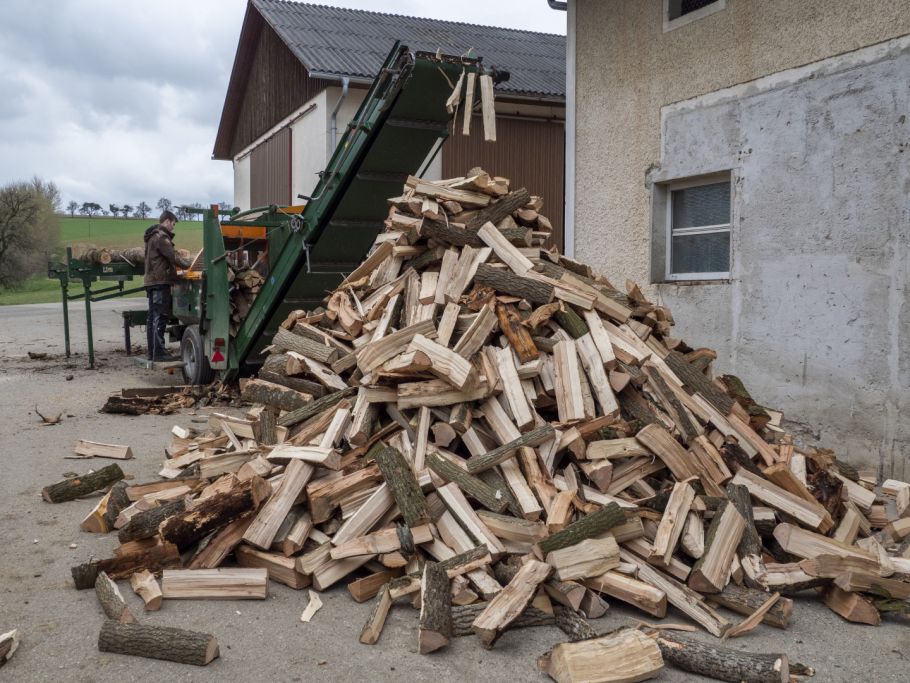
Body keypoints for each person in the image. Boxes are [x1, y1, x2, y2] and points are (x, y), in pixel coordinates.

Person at [143, 210, 179, 361]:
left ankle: (153, 352)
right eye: (173, 224)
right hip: (160, 282)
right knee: (160, 317)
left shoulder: (152, 236)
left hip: (152, 282)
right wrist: (191, 266)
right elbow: (173, 257)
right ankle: (159, 353)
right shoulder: (161, 237)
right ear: (167, 221)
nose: (173, 227)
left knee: (152, 317)